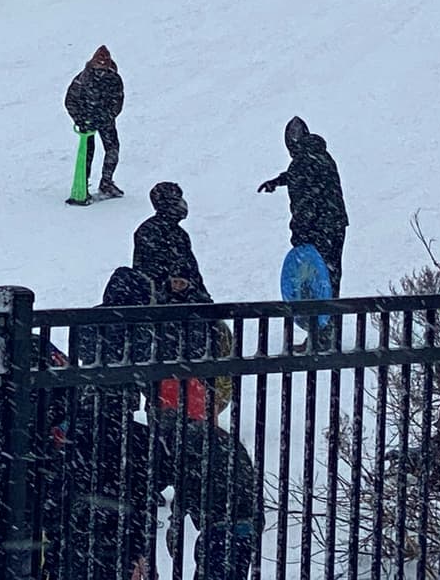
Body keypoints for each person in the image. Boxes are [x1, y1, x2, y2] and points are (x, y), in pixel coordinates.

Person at [67, 267, 158, 580]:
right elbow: (144, 362)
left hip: (90, 407)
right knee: (126, 477)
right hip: (117, 409)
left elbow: (82, 355)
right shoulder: (136, 323)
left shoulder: (90, 321)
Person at [257, 116, 348, 298]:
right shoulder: (320, 155)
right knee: (330, 275)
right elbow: (302, 176)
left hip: (318, 229)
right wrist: (277, 181)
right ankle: (331, 314)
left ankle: (320, 319)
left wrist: (299, 234)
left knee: (316, 278)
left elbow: (305, 203)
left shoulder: (301, 163)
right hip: (335, 224)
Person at [163, 419, 261, 580]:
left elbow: (187, 485)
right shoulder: (224, 441)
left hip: (220, 525)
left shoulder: (190, 446)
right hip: (246, 524)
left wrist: (175, 519)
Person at [133, 181, 210, 304]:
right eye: (177, 200)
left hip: (184, 301)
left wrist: (204, 300)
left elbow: (192, 270)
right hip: (163, 306)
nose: (182, 204)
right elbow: (152, 273)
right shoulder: (150, 231)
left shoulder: (179, 234)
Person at [65, 45, 124, 200]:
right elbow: (70, 100)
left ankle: (106, 181)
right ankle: (82, 184)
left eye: (103, 69)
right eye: (98, 68)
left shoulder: (114, 79)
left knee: (112, 149)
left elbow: (117, 102)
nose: (101, 72)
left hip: (104, 120)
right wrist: (80, 119)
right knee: (87, 153)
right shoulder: (83, 79)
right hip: (87, 120)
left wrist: (106, 117)